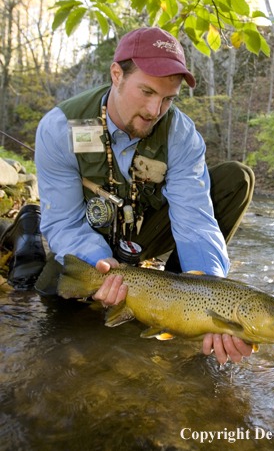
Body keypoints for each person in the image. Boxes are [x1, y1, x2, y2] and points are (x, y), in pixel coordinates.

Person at [21, 27, 255, 363]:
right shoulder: (59, 129)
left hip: (144, 233)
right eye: (146, 91)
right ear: (116, 75)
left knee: (237, 177)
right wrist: (97, 264)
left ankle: (178, 297)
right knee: (55, 307)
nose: (154, 109)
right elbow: (63, 222)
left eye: (168, 98)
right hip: (91, 236)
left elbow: (195, 223)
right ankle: (27, 234)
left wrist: (211, 301)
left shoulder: (181, 135)